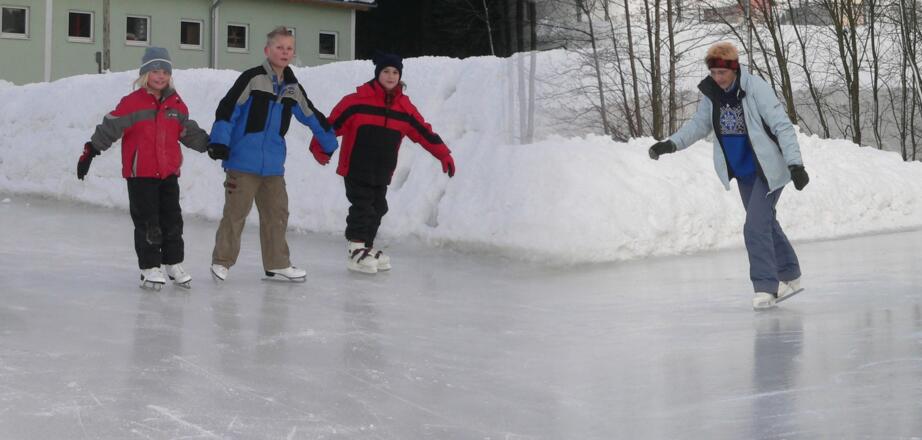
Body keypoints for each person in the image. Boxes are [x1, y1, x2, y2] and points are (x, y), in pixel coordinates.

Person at [647, 41, 810, 310]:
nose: (717, 78)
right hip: (744, 171)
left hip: (768, 169)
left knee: (754, 226)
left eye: (722, 73)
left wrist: (796, 165)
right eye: (713, 73)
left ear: (734, 69)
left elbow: (782, 126)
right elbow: (699, 125)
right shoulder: (712, 94)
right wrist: (671, 144)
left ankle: (765, 288)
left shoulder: (755, 88)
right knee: (765, 222)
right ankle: (790, 274)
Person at [207, 26, 338, 282]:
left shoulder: (292, 87)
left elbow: (311, 115)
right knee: (235, 214)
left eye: (289, 48)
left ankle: (277, 263)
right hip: (243, 162)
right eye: (279, 47)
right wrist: (219, 141)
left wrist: (329, 142)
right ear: (268, 50)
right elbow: (228, 108)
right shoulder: (253, 79)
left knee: (277, 215)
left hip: (273, 166)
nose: (284, 52)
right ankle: (222, 261)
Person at [310, 52, 456, 274]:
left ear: (400, 76)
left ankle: (365, 249)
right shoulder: (356, 101)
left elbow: (423, 132)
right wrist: (320, 149)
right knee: (362, 206)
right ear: (378, 73)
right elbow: (330, 126)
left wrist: (443, 154)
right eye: (386, 71)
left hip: (382, 171)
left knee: (378, 207)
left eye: (395, 72)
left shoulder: (404, 108)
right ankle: (355, 250)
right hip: (356, 167)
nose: (390, 76)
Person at [77, 47, 210, 289]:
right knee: (148, 222)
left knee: (172, 220)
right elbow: (110, 127)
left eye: (165, 72)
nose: (160, 76)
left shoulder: (176, 104)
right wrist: (91, 150)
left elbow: (187, 130)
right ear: (144, 74)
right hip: (141, 174)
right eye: (155, 71)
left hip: (168, 172)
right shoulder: (132, 103)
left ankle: (173, 263)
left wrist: (209, 145)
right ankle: (150, 267)